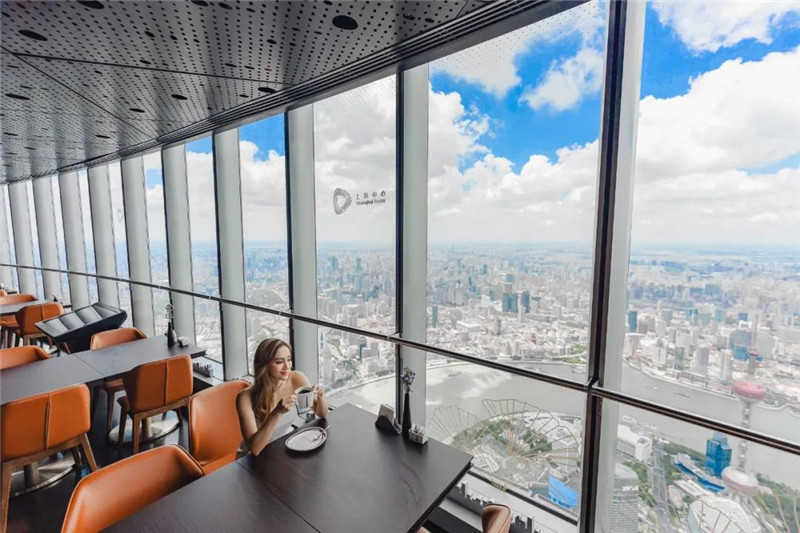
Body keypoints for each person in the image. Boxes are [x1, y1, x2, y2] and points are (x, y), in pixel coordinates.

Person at [236, 338, 328, 456]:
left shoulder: (297, 378)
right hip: (252, 460)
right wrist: (277, 413)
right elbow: (255, 449)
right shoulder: (245, 398)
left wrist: (321, 397)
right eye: (279, 362)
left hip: (282, 447)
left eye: (289, 359)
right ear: (265, 365)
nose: (287, 366)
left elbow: (322, 413)